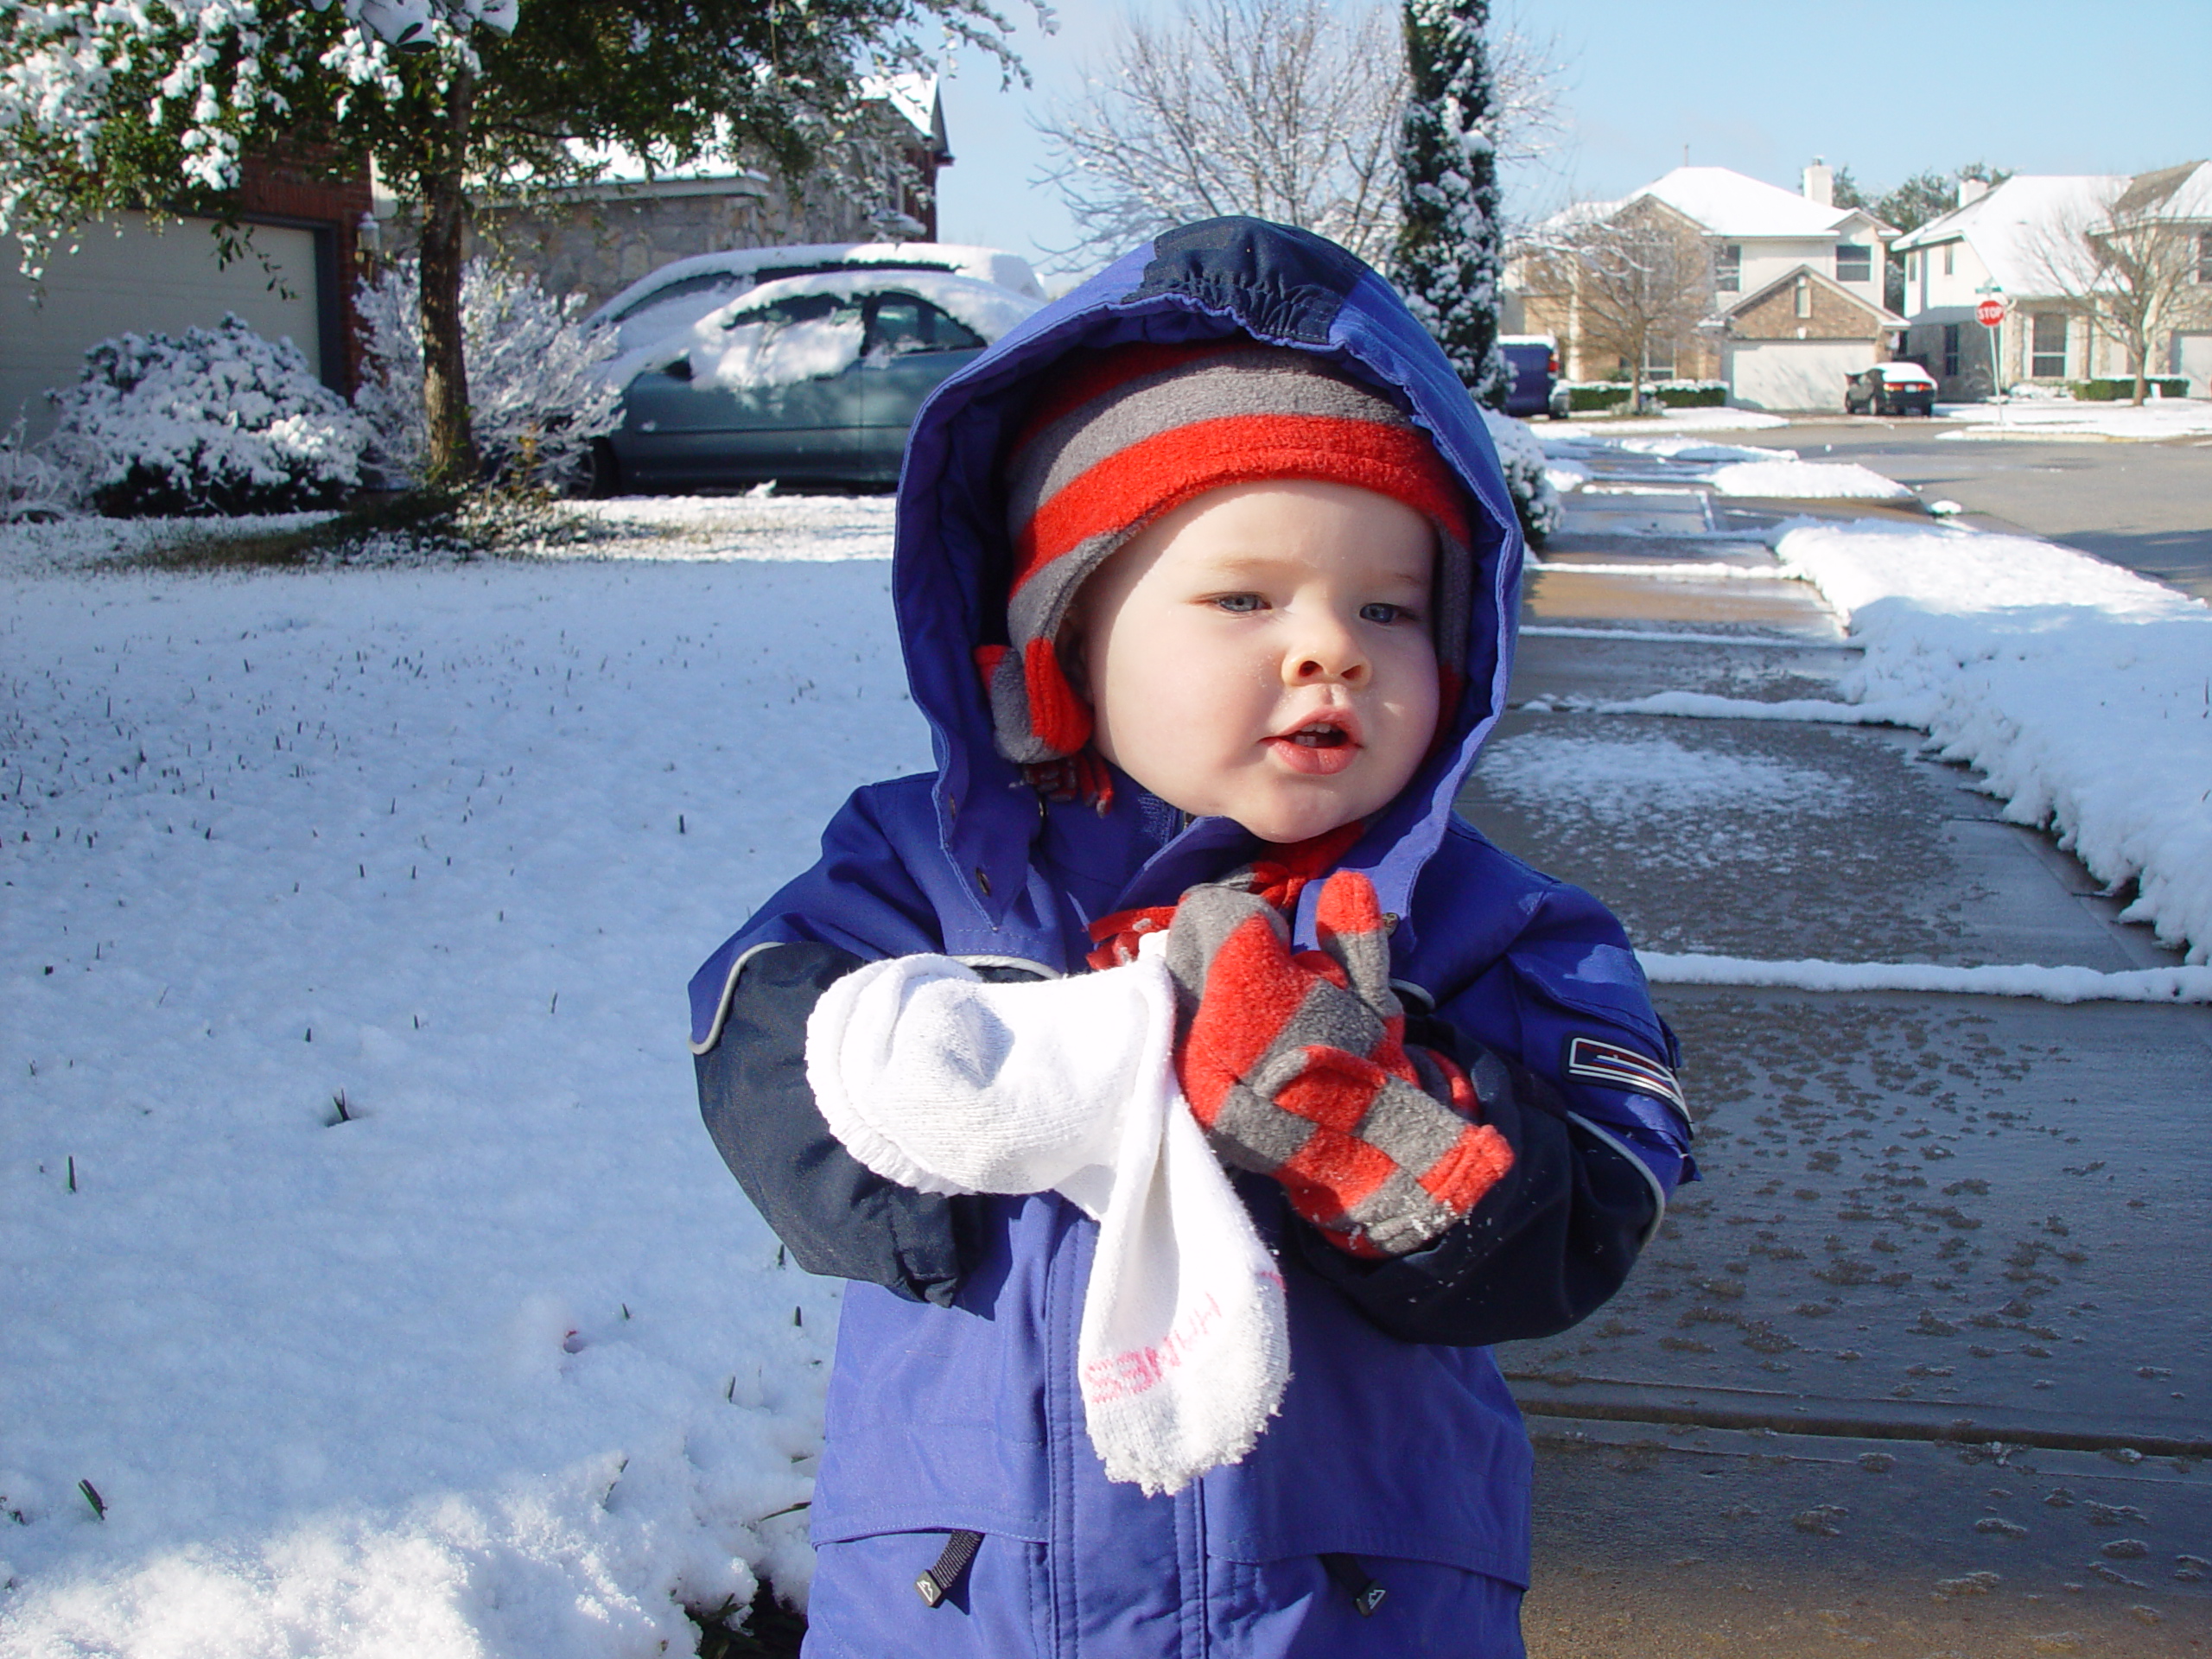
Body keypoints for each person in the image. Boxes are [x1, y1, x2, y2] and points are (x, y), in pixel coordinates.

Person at [688, 218, 1694, 1658]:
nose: (1329, 647)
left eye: (1389, 608)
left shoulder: (1482, 924)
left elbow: (1595, 1202)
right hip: (963, 1591)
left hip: (1351, 1598)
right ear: (1060, 648)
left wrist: (1369, 1127)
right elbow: (750, 1036)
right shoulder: (922, 874)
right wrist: (918, 1095)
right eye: (1243, 598)